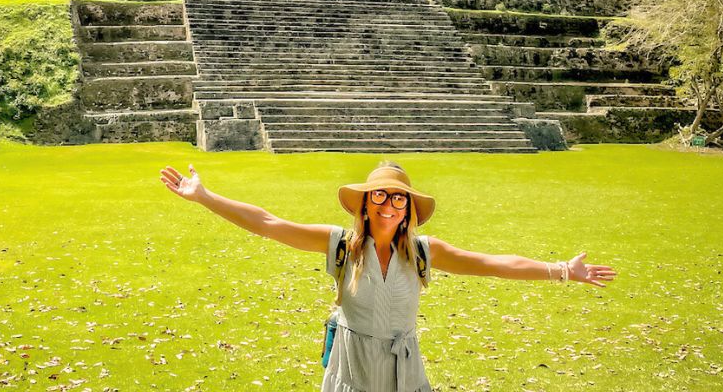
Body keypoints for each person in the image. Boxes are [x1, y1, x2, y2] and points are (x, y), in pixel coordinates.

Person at [159, 161, 616, 392]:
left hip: (403, 363)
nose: (389, 205)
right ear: (365, 202)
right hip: (352, 362)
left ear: (409, 210)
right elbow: (269, 223)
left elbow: (493, 263)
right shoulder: (340, 244)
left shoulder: (422, 252)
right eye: (380, 195)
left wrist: (561, 272)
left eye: (400, 200)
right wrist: (205, 196)